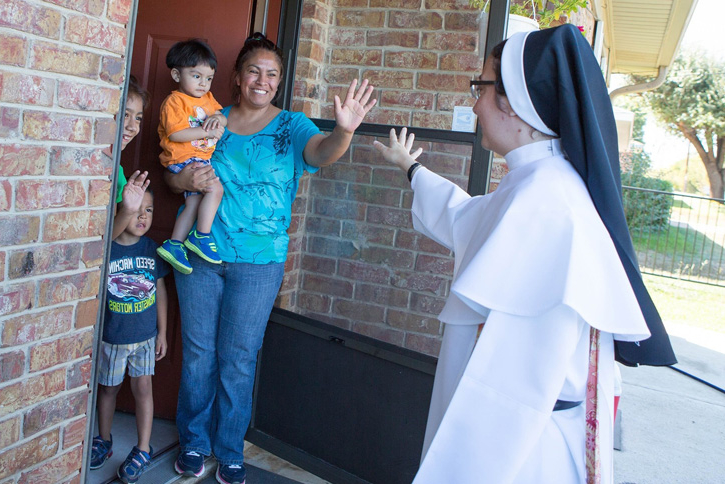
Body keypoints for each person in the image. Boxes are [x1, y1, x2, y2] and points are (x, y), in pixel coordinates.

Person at [373, 25, 676, 484]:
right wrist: (411, 168)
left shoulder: (549, 203)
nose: (475, 104)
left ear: (513, 101)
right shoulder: (537, 183)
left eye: (481, 87)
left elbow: (510, 388)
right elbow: (468, 220)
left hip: (520, 454)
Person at [165, 32, 375, 484]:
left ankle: (229, 449)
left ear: (278, 82)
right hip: (202, 254)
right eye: (254, 71)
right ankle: (195, 444)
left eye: (272, 74)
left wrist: (345, 130)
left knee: (238, 357)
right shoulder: (210, 118)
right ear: (238, 78)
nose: (262, 80)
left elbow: (322, 153)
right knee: (200, 354)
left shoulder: (291, 126)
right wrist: (186, 183)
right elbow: (175, 176)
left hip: (260, 264)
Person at [90, 185, 171, 484]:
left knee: (143, 390)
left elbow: (160, 289)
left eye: (148, 210)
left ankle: (142, 448)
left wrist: (162, 332)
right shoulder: (107, 249)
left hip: (145, 338)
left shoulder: (151, 248)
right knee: (108, 389)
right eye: (136, 209)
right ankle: (104, 439)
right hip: (112, 337)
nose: (143, 216)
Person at [156, 39, 226, 274]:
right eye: (196, 76)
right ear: (177, 74)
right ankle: (201, 236)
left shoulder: (207, 99)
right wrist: (209, 130)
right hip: (184, 158)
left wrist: (220, 120)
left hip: (198, 159)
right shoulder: (174, 101)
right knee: (216, 190)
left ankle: (175, 244)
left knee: (194, 202)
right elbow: (176, 134)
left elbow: (220, 114)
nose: (203, 83)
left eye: (208, 78)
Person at [111, 75, 151, 241]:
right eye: (126, 115)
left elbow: (107, 238)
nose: (132, 127)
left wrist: (128, 210)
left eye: (138, 118)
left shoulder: (116, 171)